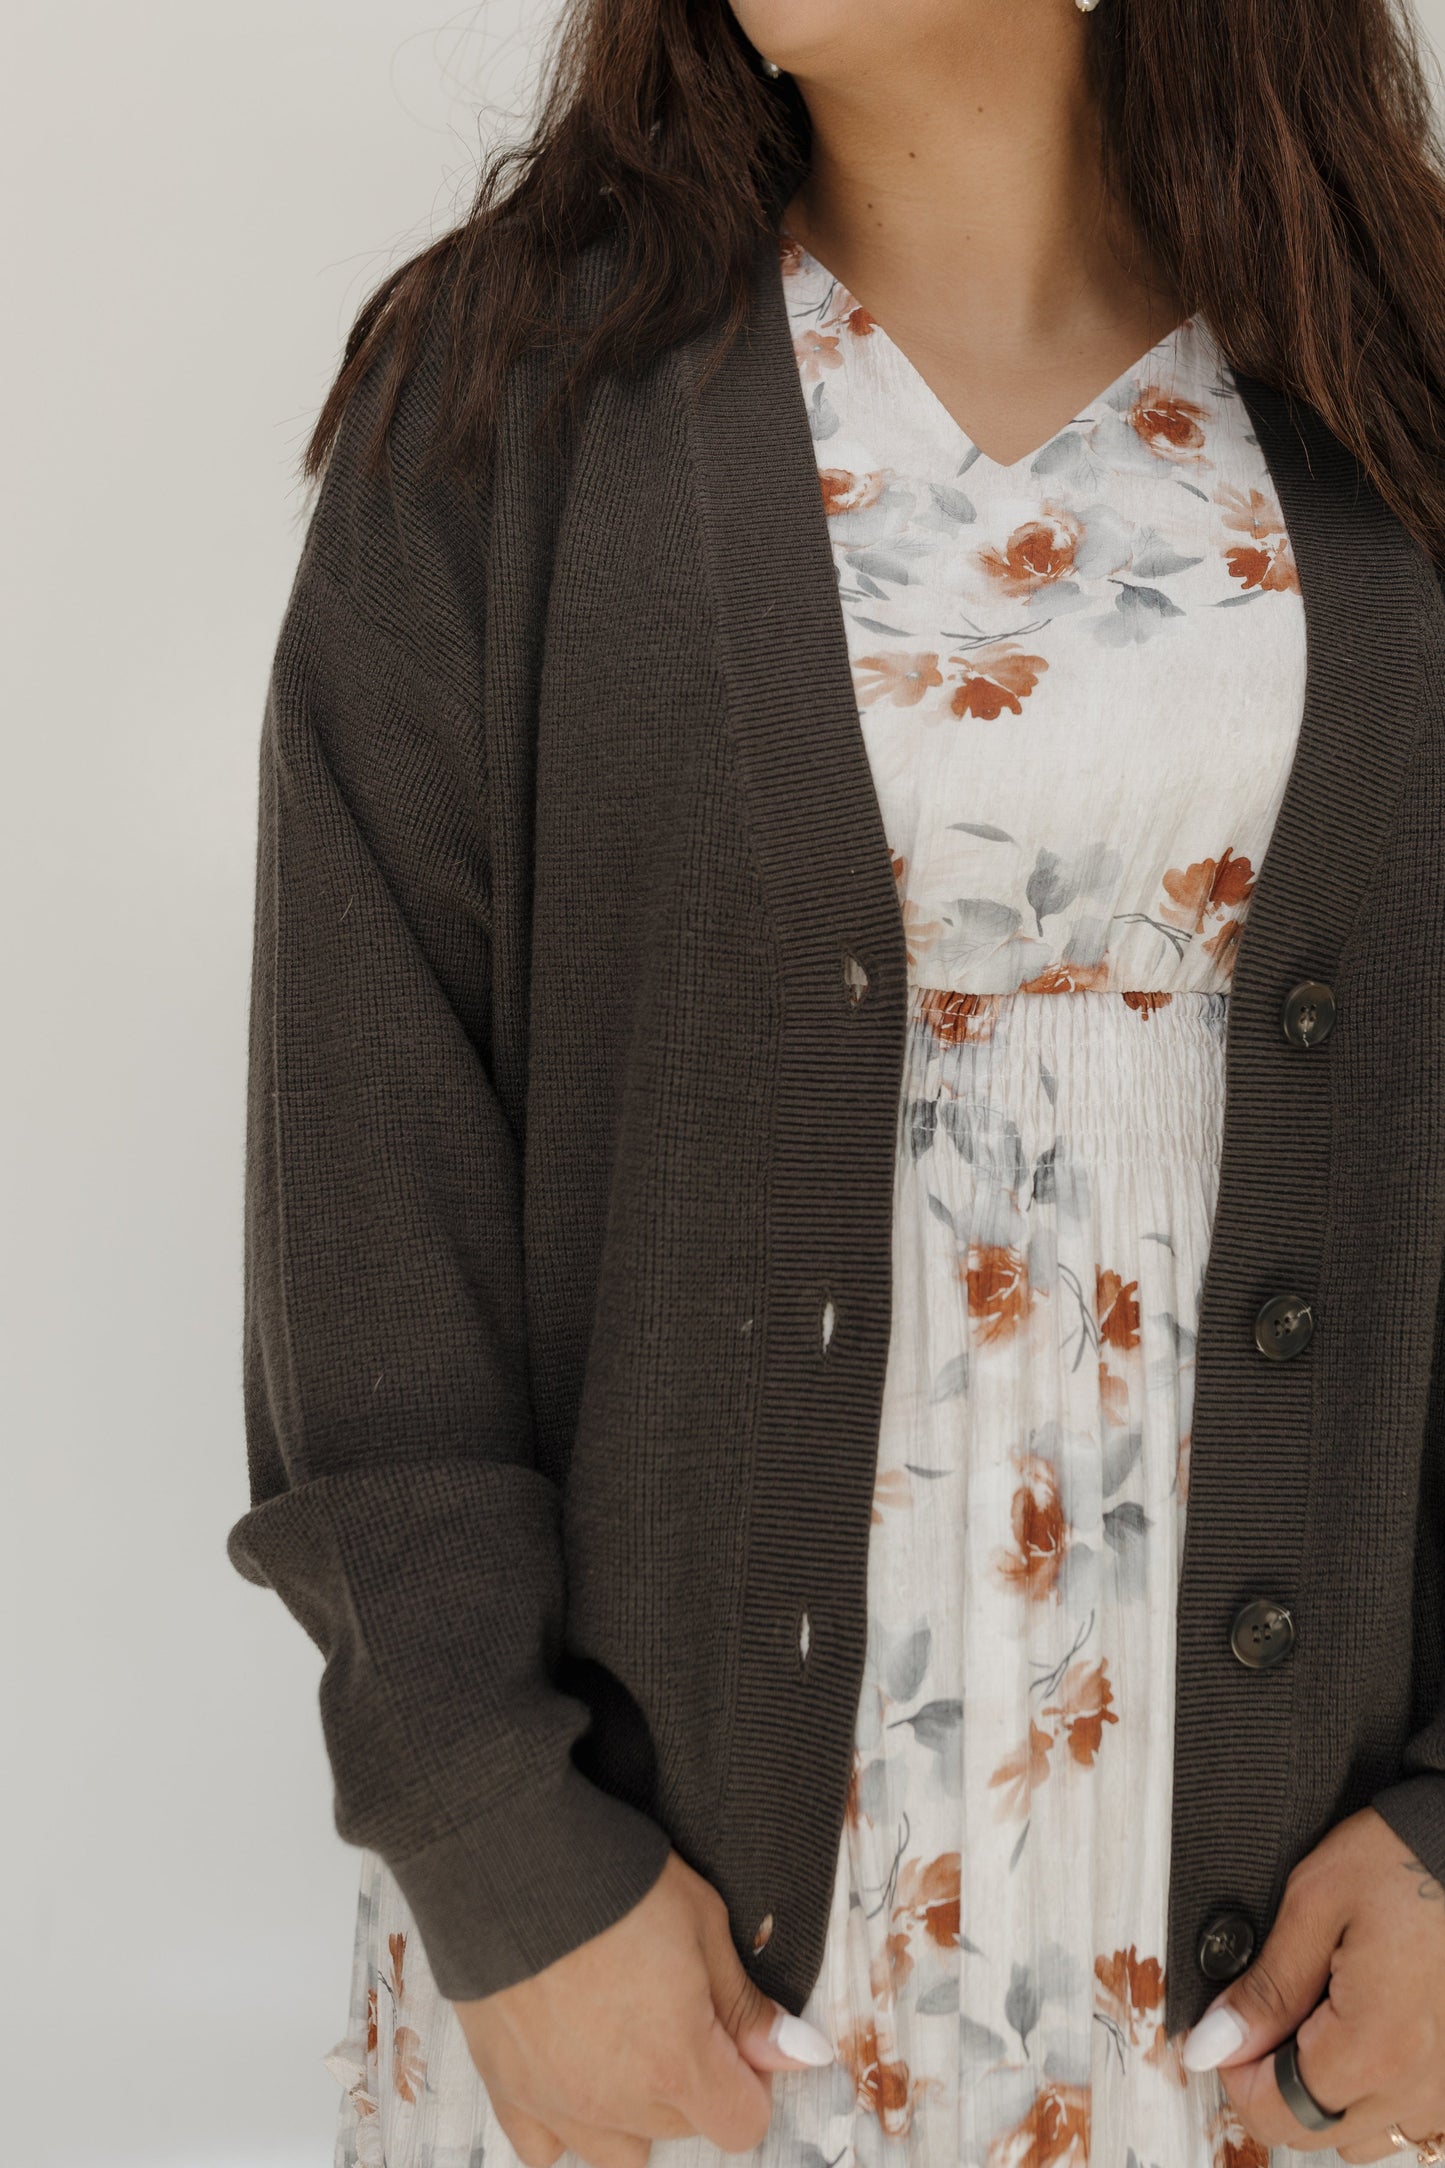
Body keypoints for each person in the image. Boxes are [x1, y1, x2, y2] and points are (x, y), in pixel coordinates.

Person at [227, 1, 1445, 2163]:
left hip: (1285, 2002)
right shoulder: (506, 406)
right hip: (675, 1969)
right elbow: (367, 1206)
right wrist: (512, 1869)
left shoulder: (1404, 389)